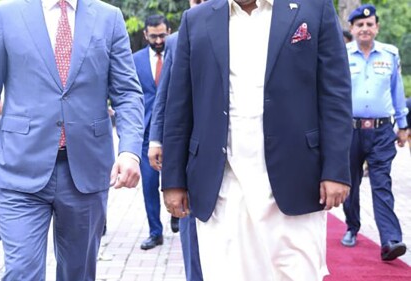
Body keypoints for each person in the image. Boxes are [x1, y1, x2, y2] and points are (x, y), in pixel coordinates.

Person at [161, 0, 352, 280]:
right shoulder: (196, 19)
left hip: (296, 179)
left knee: (296, 273)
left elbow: (335, 95)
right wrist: (173, 180)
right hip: (223, 183)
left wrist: (336, 170)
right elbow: (179, 105)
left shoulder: (314, 9)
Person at [0, 0, 144, 280]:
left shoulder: (109, 17)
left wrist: (130, 151)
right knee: (22, 272)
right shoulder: (6, 14)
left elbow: (127, 92)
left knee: (77, 273)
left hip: (86, 170)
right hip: (20, 168)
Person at [341, 4, 408, 261]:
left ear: (377, 27)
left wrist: (402, 126)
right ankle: (352, 226)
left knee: (382, 184)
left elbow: (397, 92)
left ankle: (390, 239)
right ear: (352, 29)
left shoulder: (389, 55)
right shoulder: (342, 55)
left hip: (381, 131)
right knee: (350, 183)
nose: (365, 29)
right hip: (349, 130)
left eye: (370, 25)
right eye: (360, 25)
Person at [148, 0, 205, 279]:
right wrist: (156, 139)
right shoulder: (177, 40)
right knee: (191, 228)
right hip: (192, 149)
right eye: (196, 0)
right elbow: (166, 96)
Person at [133, 14, 175, 251]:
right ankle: (155, 232)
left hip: (175, 132)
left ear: (169, 31)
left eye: (163, 35)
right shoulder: (134, 60)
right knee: (149, 186)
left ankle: (178, 216)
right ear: (145, 35)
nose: (159, 40)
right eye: (154, 36)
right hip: (147, 133)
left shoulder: (180, 52)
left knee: (177, 179)